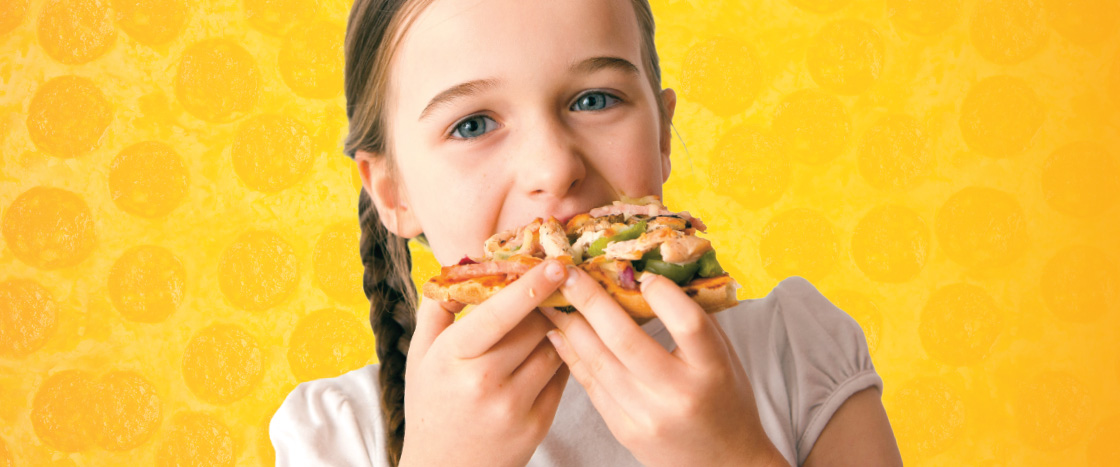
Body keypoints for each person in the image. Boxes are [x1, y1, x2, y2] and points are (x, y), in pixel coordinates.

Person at [270, 0, 903, 465]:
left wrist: (733, 454)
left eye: (594, 100)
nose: (553, 168)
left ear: (662, 136)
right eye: (473, 125)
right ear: (393, 192)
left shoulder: (798, 354)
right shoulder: (335, 436)